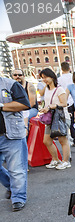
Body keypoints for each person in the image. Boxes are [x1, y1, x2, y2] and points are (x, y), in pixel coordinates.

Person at [0, 74, 30, 211]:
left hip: (11, 134)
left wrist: (1, 106)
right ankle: (11, 186)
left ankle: (18, 198)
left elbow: (24, 104)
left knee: (16, 169)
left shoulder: (10, 84)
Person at [40, 68, 71, 170]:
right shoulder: (47, 90)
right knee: (46, 141)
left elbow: (64, 103)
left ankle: (66, 161)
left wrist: (53, 106)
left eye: (45, 77)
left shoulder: (59, 89)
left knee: (63, 140)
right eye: (42, 78)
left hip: (61, 118)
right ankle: (55, 159)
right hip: (50, 118)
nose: (44, 80)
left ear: (52, 76)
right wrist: (45, 108)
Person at [58, 62, 75, 146]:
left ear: (62, 69)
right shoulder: (73, 77)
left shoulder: (60, 79)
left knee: (70, 122)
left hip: (67, 102)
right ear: (69, 68)